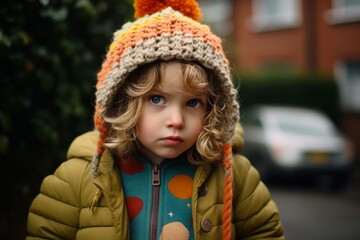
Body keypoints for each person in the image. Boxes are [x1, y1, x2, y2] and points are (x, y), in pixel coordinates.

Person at [26, 0, 284, 239]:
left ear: (214, 108)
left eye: (193, 103)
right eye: (157, 99)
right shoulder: (79, 176)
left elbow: (264, 232)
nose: (176, 120)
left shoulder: (233, 174)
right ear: (121, 103)